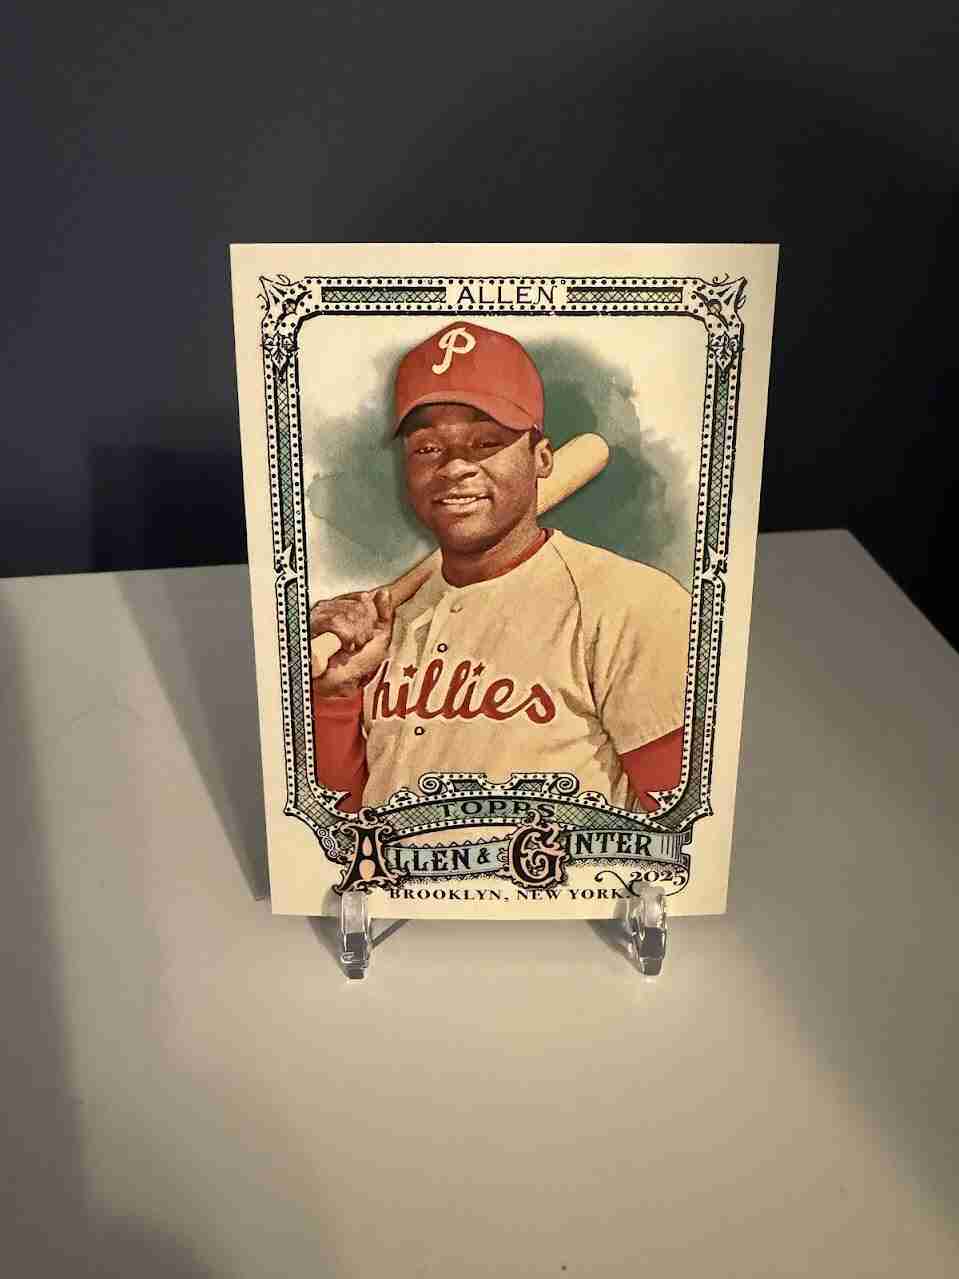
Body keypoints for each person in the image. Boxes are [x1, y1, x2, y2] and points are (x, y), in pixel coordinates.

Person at [309, 321, 690, 815]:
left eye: (485, 442)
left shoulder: (633, 605)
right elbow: (341, 830)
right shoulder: (384, 630)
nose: (453, 467)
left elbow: (683, 826)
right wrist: (337, 696)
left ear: (542, 458)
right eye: (428, 448)